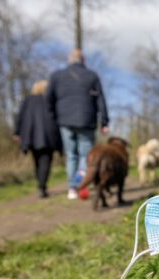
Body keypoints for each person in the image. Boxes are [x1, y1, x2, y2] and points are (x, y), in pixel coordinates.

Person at [46, 49, 109, 200]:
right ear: (83, 60)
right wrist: (104, 122)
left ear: (70, 60)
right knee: (84, 156)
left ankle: (72, 188)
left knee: (71, 155)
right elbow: (101, 100)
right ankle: (81, 186)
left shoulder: (57, 76)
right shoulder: (92, 76)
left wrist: (54, 118)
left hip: (65, 122)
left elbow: (49, 99)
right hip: (86, 121)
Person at [14, 80, 63, 198]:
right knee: (45, 162)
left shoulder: (27, 100)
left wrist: (17, 132)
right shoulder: (50, 100)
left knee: (37, 162)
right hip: (48, 136)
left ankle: (41, 185)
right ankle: (42, 186)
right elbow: (57, 118)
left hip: (31, 137)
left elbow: (19, 116)